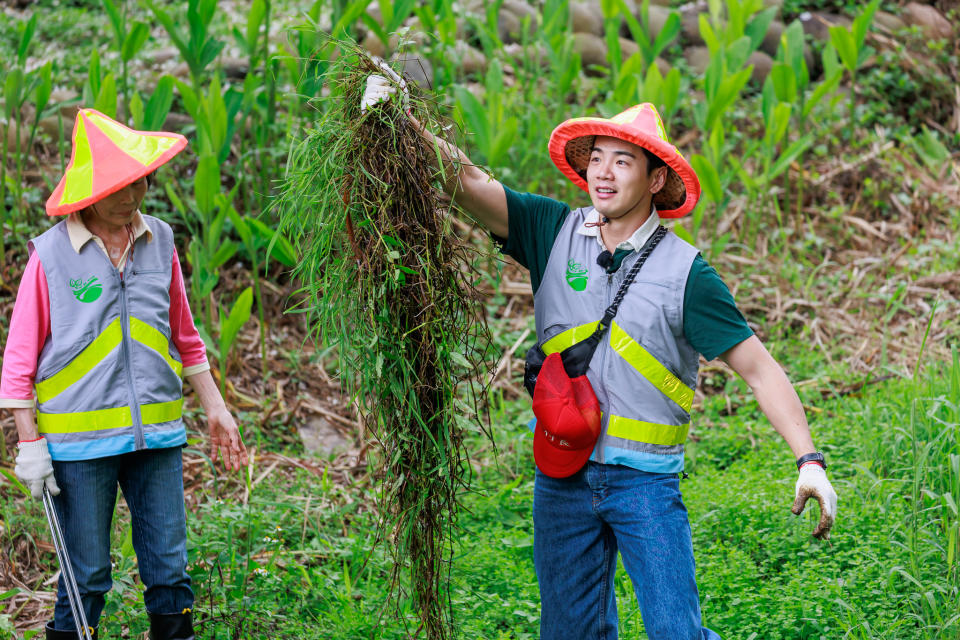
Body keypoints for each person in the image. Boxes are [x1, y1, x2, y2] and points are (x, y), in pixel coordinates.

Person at [361, 71, 838, 639]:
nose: (603, 173)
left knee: (675, 635)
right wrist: (400, 117)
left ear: (655, 178)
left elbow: (760, 370)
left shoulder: (688, 274)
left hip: (646, 485)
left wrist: (810, 462)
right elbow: (463, 179)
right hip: (561, 473)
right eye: (597, 158)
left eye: (622, 161)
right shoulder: (551, 231)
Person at [1, 108, 249, 640]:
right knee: (85, 576)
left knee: (169, 571)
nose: (133, 196)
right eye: (119, 187)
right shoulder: (49, 257)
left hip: (156, 437)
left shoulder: (159, 238)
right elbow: (18, 363)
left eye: (139, 182)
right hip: (79, 445)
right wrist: (29, 444)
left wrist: (215, 406)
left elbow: (184, 335)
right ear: (89, 191)